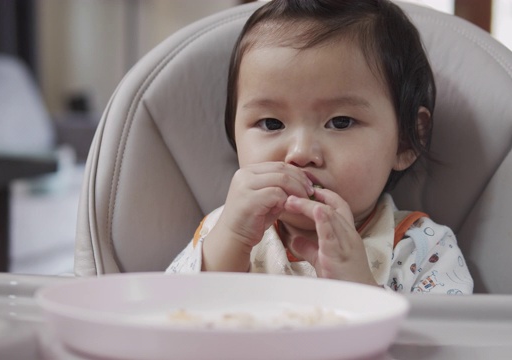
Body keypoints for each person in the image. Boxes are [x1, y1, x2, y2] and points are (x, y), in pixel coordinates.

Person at [166, 0, 473, 295]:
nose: (300, 153)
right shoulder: (224, 229)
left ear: (405, 139)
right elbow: (169, 320)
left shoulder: (421, 247)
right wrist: (228, 247)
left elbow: (447, 343)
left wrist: (360, 288)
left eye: (340, 122)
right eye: (272, 124)